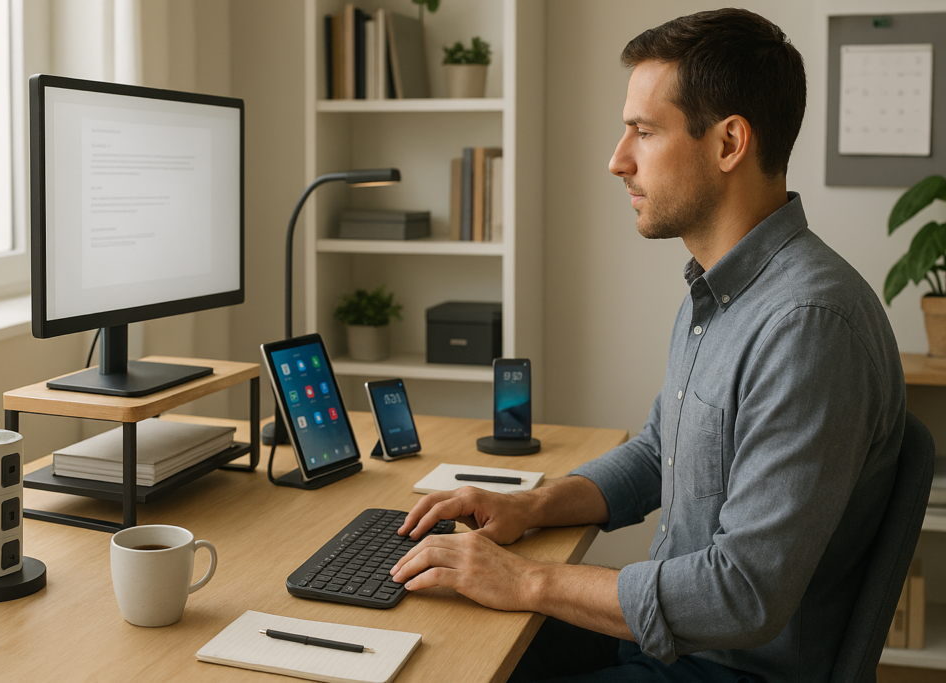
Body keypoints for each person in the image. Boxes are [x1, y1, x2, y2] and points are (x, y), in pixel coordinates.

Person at [388, 8, 906, 683]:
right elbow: (660, 450)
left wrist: (529, 581)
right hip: (668, 644)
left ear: (728, 144)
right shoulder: (721, 293)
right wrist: (529, 506)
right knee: (440, 641)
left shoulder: (807, 327)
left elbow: (740, 593)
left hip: (727, 669)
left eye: (643, 131)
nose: (616, 159)